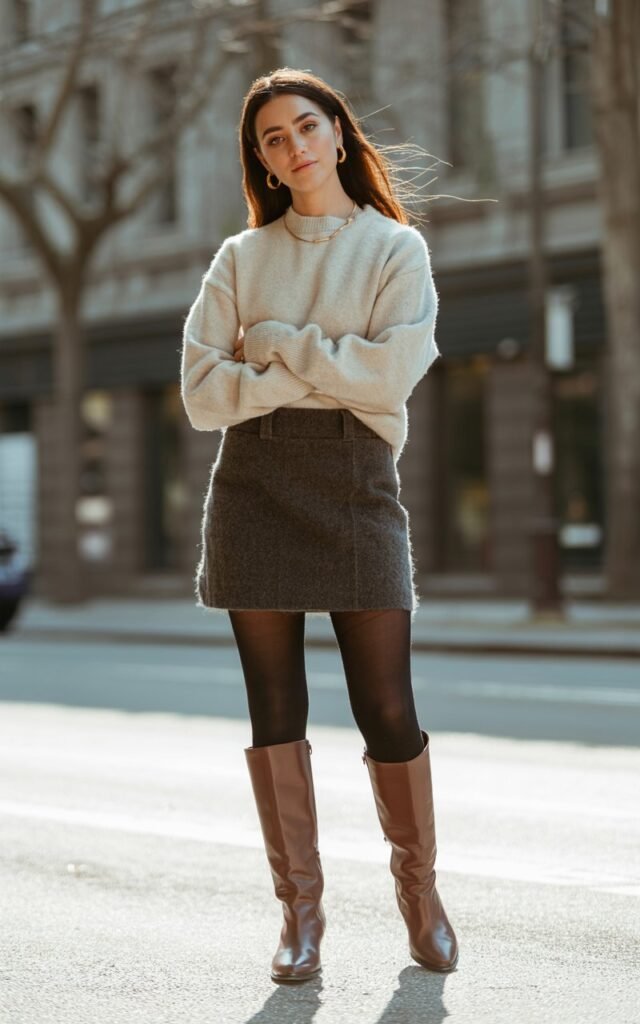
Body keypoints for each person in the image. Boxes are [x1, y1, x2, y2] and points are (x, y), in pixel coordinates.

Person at [180, 67, 458, 984]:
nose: (294, 146)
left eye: (307, 126)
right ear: (260, 158)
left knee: (388, 709)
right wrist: (317, 368)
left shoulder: (394, 250)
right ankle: (301, 914)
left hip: (356, 480)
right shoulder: (240, 259)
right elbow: (201, 395)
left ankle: (420, 894)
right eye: (273, 137)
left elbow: (387, 380)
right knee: (276, 713)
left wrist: (279, 347)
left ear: (338, 134)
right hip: (253, 485)